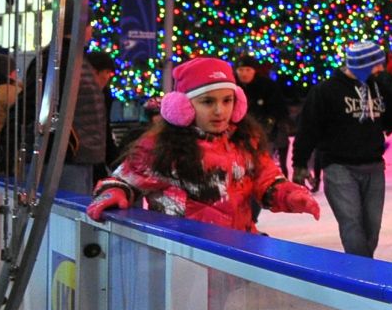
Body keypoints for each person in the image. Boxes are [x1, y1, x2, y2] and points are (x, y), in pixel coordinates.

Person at [87, 56, 319, 229]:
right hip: (184, 258)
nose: (220, 111)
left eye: (227, 100)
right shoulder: (159, 146)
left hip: (239, 253)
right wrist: (114, 192)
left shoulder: (246, 141)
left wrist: (289, 194)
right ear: (182, 107)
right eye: (208, 102)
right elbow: (122, 181)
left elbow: (267, 180)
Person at [294, 40, 392, 258]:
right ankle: (363, 276)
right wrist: (299, 163)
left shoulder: (378, 87)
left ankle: (363, 267)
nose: (380, 69)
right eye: (375, 64)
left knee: (372, 228)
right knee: (352, 224)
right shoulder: (326, 91)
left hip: (374, 165)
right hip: (339, 166)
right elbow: (308, 129)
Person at [59, 50, 117, 194]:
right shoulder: (94, 94)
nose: (108, 78)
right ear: (96, 72)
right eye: (107, 73)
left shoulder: (102, 93)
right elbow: (104, 132)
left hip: (89, 157)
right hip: (82, 157)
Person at [232, 56, 289, 173]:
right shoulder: (232, 87)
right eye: (241, 70)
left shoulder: (268, 86)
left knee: (263, 165)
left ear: (254, 70)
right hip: (238, 134)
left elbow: (278, 109)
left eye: (248, 70)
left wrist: (267, 126)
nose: (244, 74)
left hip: (265, 133)